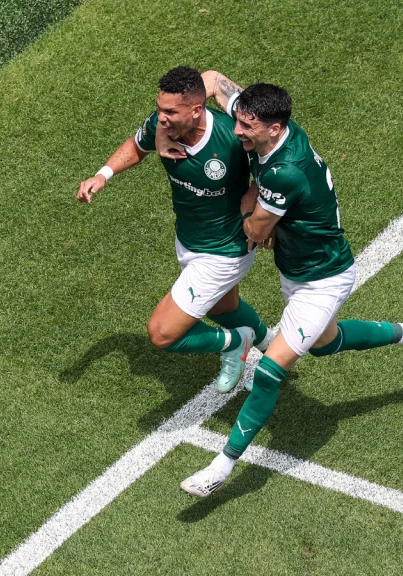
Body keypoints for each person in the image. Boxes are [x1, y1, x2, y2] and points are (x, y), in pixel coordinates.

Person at [180, 75, 403, 497]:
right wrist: (177, 127)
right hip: (296, 272)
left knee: (267, 372)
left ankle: (220, 469)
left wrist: (222, 204)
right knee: (324, 343)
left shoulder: (286, 172)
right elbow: (210, 81)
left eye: (246, 127)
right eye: (238, 121)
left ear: (274, 128)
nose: (237, 131)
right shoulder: (263, 125)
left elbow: (256, 231)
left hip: (323, 280)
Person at [77, 67, 275, 393]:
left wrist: (262, 218)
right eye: (159, 109)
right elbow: (137, 146)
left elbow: (272, 172)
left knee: (162, 333)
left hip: (225, 250)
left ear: (196, 110)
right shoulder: (163, 127)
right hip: (189, 239)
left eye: (170, 111)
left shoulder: (232, 137)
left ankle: (234, 343)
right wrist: (103, 175)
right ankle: (270, 344)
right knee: (222, 307)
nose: (162, 117)